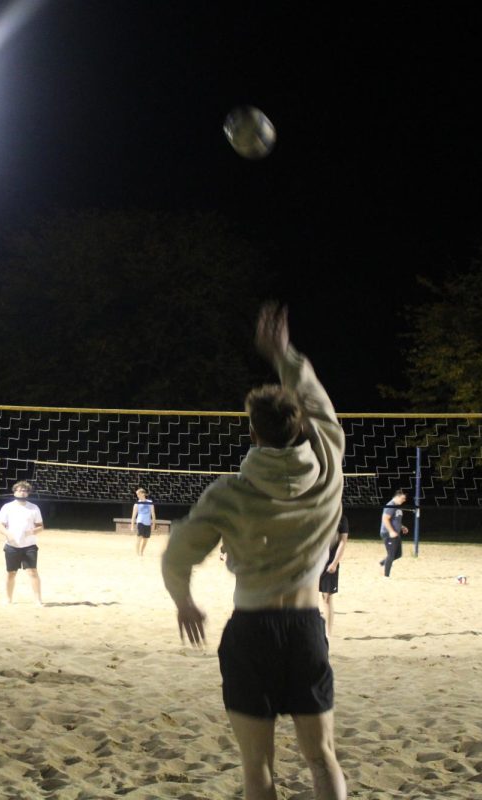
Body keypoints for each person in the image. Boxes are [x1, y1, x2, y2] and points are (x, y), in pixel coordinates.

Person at [162, 302, 347, 800]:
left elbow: (176, 553)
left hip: (252, 632)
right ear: (303, 427)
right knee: (321, 758)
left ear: (253, 432)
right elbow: (319, 401)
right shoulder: (330, 465)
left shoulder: (230, 493)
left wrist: (184, 600)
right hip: (308, 630)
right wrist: (283, 353)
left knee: (257, 770)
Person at [0, 480, 44, 605]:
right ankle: (8, 599)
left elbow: (41, 526)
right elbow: (0, 525)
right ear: (15, 491)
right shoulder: (7, 507)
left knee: (32, 571)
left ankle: (38, 600)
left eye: (25, 490)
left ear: (28, 493)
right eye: (20, 490)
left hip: (29, 546)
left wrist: (32, 531)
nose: (22, 492)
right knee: (11, 573)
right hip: (12, 545)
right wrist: (8, 534)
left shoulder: (34, 508)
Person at [319, 511, 350, 637]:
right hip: (314, 562)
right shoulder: (316, 514)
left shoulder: (341, 518)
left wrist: (334, 563)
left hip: (329, 562)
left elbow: (343, 541)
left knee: (327, 597)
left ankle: (328, 633)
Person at [379, 490, 409, 577]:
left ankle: (382, 563)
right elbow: (385, 519)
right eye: (403, 498)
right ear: (397, 496)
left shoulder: (397, 506)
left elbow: (395, 519)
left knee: (398, 554)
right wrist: (391, 531)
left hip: (395, 533)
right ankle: (386, 576)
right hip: (388, 533)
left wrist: (402, 527)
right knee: (391, 555)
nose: (404, 500)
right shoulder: (391, 505)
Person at [130, 487, 156, 556]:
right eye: (137, 494)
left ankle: (141, 552)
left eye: (138, 494)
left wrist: (154, 525)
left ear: (143, 494)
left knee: (145, 540)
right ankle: (137, 554)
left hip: (148, 523)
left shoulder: (150, 502)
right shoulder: (136, 504)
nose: (137, 495)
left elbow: (153, 514)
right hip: (140, 522)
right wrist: (132, 525)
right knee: (139, 538)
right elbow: (133, 516)